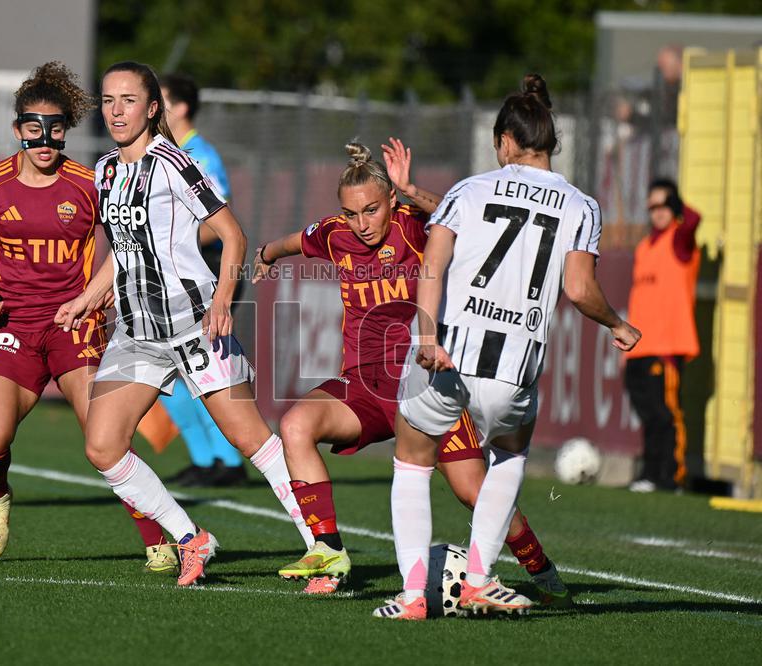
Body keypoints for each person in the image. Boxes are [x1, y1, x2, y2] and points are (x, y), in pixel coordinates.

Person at [253, 139, 569, 603]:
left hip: (425, 383)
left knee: (473, 491)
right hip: (365, 385)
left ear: (391, 202)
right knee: (295, 424)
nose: (362, 224)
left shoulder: (416, 226)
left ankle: (541, 570)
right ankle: (329, 549)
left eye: (372, 210)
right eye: (352, 213)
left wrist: (411, 190)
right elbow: (292, 242)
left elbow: (465, 216)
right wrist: (263, 255)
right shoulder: (334, 232)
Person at [380, 74, 641, 619]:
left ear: (504, 140)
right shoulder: (581, 206)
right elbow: (578, 290)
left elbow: (434, 263)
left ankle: (411, 597)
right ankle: (478, 579)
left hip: (447, 355)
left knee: (411, 461)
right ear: (550, 142)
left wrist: (427, 337)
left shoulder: (470, 189)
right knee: (508, 456)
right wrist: (616, 323)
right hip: (513, 368)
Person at [55, 60, 312, 587]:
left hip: (195, 327)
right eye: (108, 101)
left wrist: (221, 300)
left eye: (128, 101)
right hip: (139, 335)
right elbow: (122, 252)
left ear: (152, 109)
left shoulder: (173, 161)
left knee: (252, 441)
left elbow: (233, 235)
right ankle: (190, 537)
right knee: (102, 447)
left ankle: (321, 543)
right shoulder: (104, 170)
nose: (116, 111)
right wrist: (89, 296)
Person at [0, 61, 113, 560]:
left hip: (75, 322)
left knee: (105, 438)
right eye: (33, 129)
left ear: (66, 131)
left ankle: (157, 540)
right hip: (13, 326)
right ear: (18, 130)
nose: (45, 140)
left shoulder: (91, 185)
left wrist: (103, 287)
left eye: (56, 129)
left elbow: (126, 243)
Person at [155, 72, 247, 487]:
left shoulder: (198, 154)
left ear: (180, 107)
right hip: (170, 277)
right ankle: (205, 458)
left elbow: (219, 221)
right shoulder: (162, 152)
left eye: (159, 101)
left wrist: (172, 242)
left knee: (202, 370)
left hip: (205, 273)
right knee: (167, 372)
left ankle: (230, 460)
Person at [624, 178, 700, 493]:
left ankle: (671, 476)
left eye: (663, 206)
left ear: (674, 208)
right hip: (640, 347)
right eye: (651, 206)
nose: (656, 212)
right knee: (649, 416)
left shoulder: (679, 240)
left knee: (665, 413)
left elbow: (694, 220)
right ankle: (650, 474)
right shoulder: (644, 247)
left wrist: (678, 205)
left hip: (667, 346)